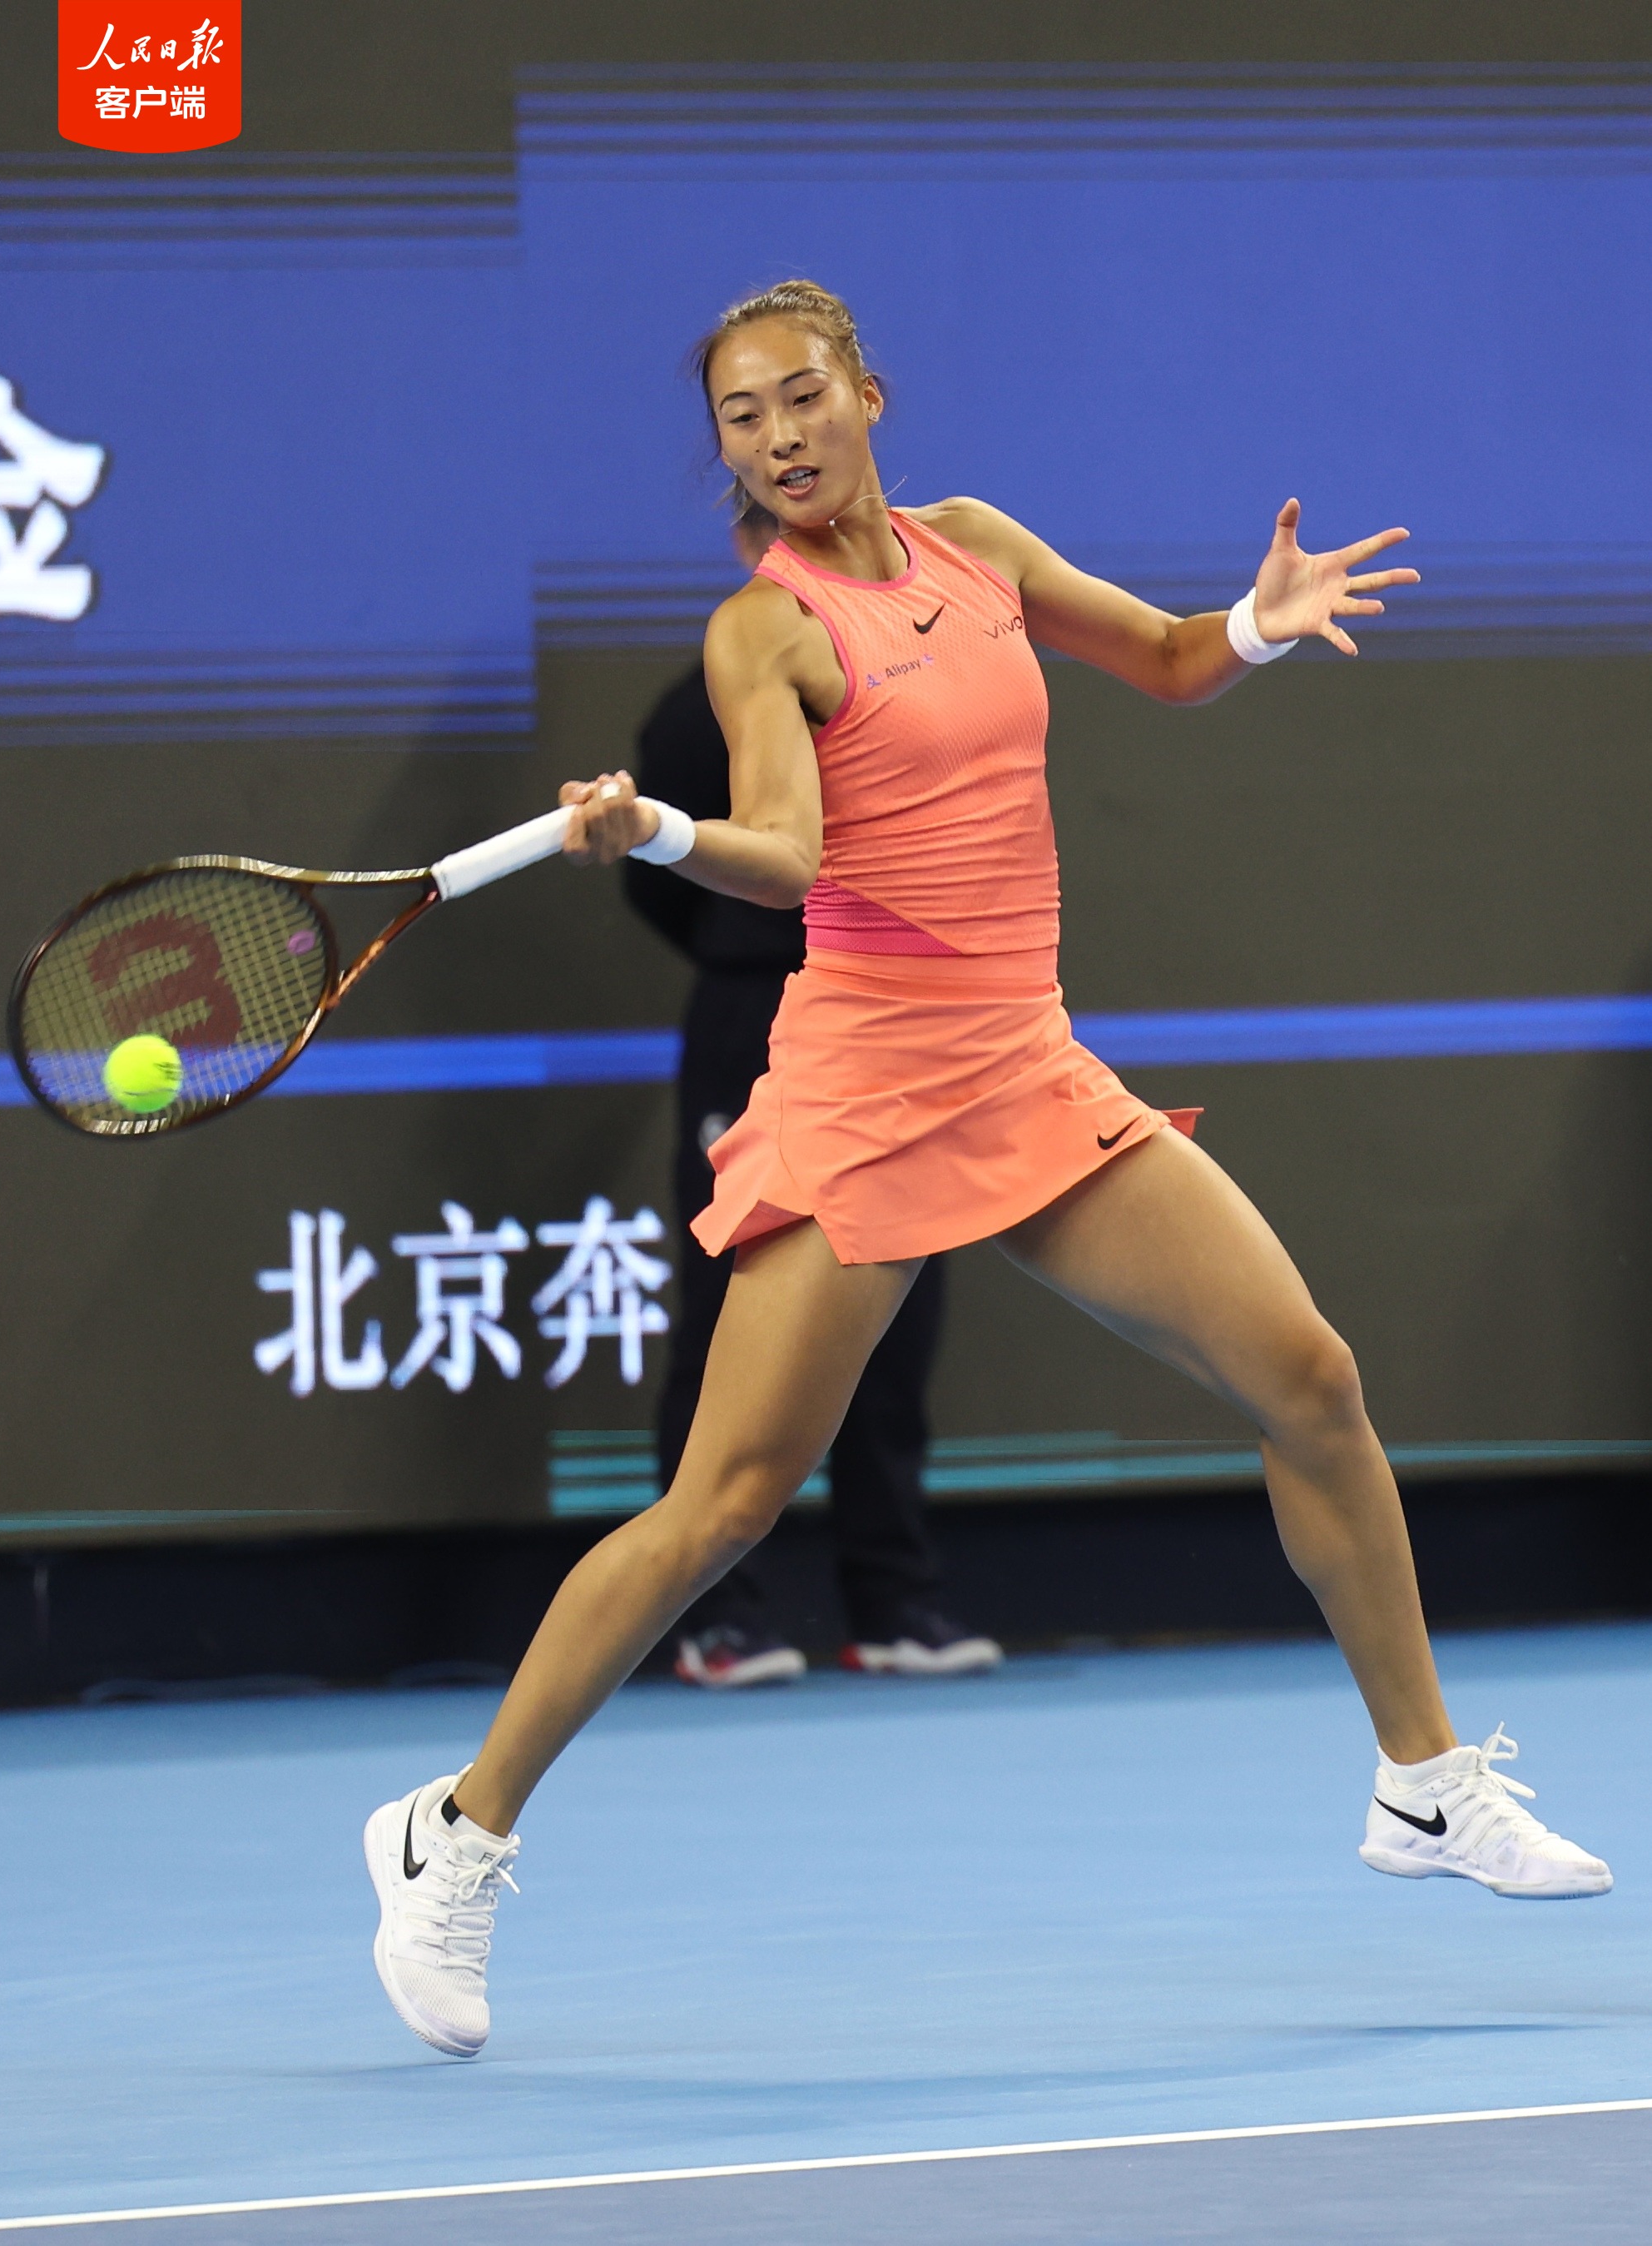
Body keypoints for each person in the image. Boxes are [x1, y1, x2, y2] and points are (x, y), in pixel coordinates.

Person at [366, 279, 1610, 2059]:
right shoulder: (762, 631)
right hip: (868, 1091)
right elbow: (787, 855)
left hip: (1024, 1066)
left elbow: (1167, 656)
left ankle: (1421, 1779)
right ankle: (456, 1831)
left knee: (1310, 1377)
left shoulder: (977, 547)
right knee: (724, 1505)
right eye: (740, 417)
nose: (779, 437)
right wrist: (657, 827)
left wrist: (1254, 626)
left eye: (803, 396)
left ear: (868, 393)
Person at [623, 551, 1001, 1688]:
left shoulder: (919, 681)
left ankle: (894, 1599)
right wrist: (758, 957)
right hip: (756, 1018)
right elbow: (665, 882)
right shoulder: (701, 706)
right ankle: (716, 1616)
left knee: (900, 1305)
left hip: (900, 1021)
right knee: (731, 1311)